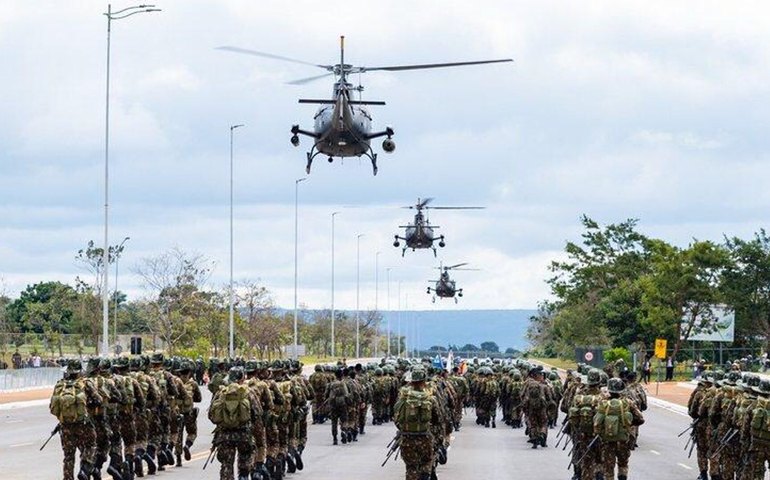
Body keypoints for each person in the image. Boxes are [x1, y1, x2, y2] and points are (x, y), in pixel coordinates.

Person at [50, 359, 103, 480]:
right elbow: (99, 400)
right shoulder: (85, 383)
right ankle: (84, 470)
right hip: (83, 425)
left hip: (65, 425)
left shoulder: (60, 385)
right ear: (79, 371)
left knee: (68, 456)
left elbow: (53, 406)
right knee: (90, 446)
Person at [209, 366, 259, 480]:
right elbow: (257, 413)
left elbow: (211, 415)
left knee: (226, 465)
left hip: (225, 436)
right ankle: (243, 476)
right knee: (245, 459)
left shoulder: (221, 392)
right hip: (244, 435)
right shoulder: (248, 392)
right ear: (242, 377)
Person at [394, 365, 441, 480]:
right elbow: (437, 419)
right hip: (425, 437)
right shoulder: (430, 398)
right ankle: (425, 474)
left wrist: (405, 427)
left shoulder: (403, 398)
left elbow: (396, 419)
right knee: (426, 462)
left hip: (408, 438)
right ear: (424, 380)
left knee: (411, 467)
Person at [594, 378, 644, 480]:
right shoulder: (628, 403)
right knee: (623, 464)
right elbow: (640, 419)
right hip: (623, 441)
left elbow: (596, 423)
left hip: (607, 441)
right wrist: (628, 424)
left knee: (608, 467)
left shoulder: (603, 404)